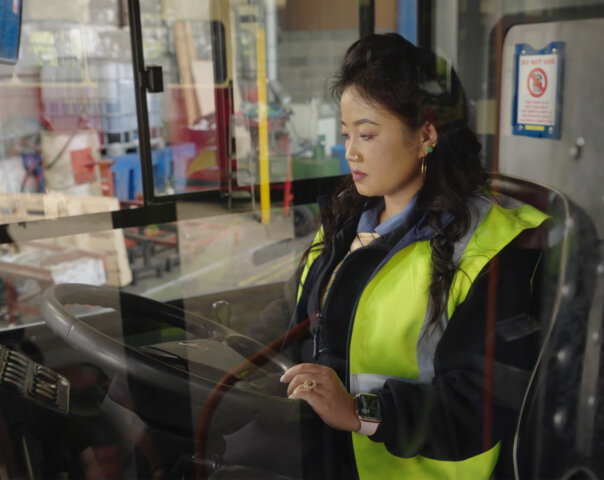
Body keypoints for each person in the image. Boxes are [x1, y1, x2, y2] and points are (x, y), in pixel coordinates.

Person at [279, 33, 549, 479]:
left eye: (367, 134)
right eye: (346, 134)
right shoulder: (347, 220)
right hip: (318, 455)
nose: (350, 151)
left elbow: (481, 405)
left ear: (426, 134)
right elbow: (296, 318)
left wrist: (360, 411)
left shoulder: (489, 249)